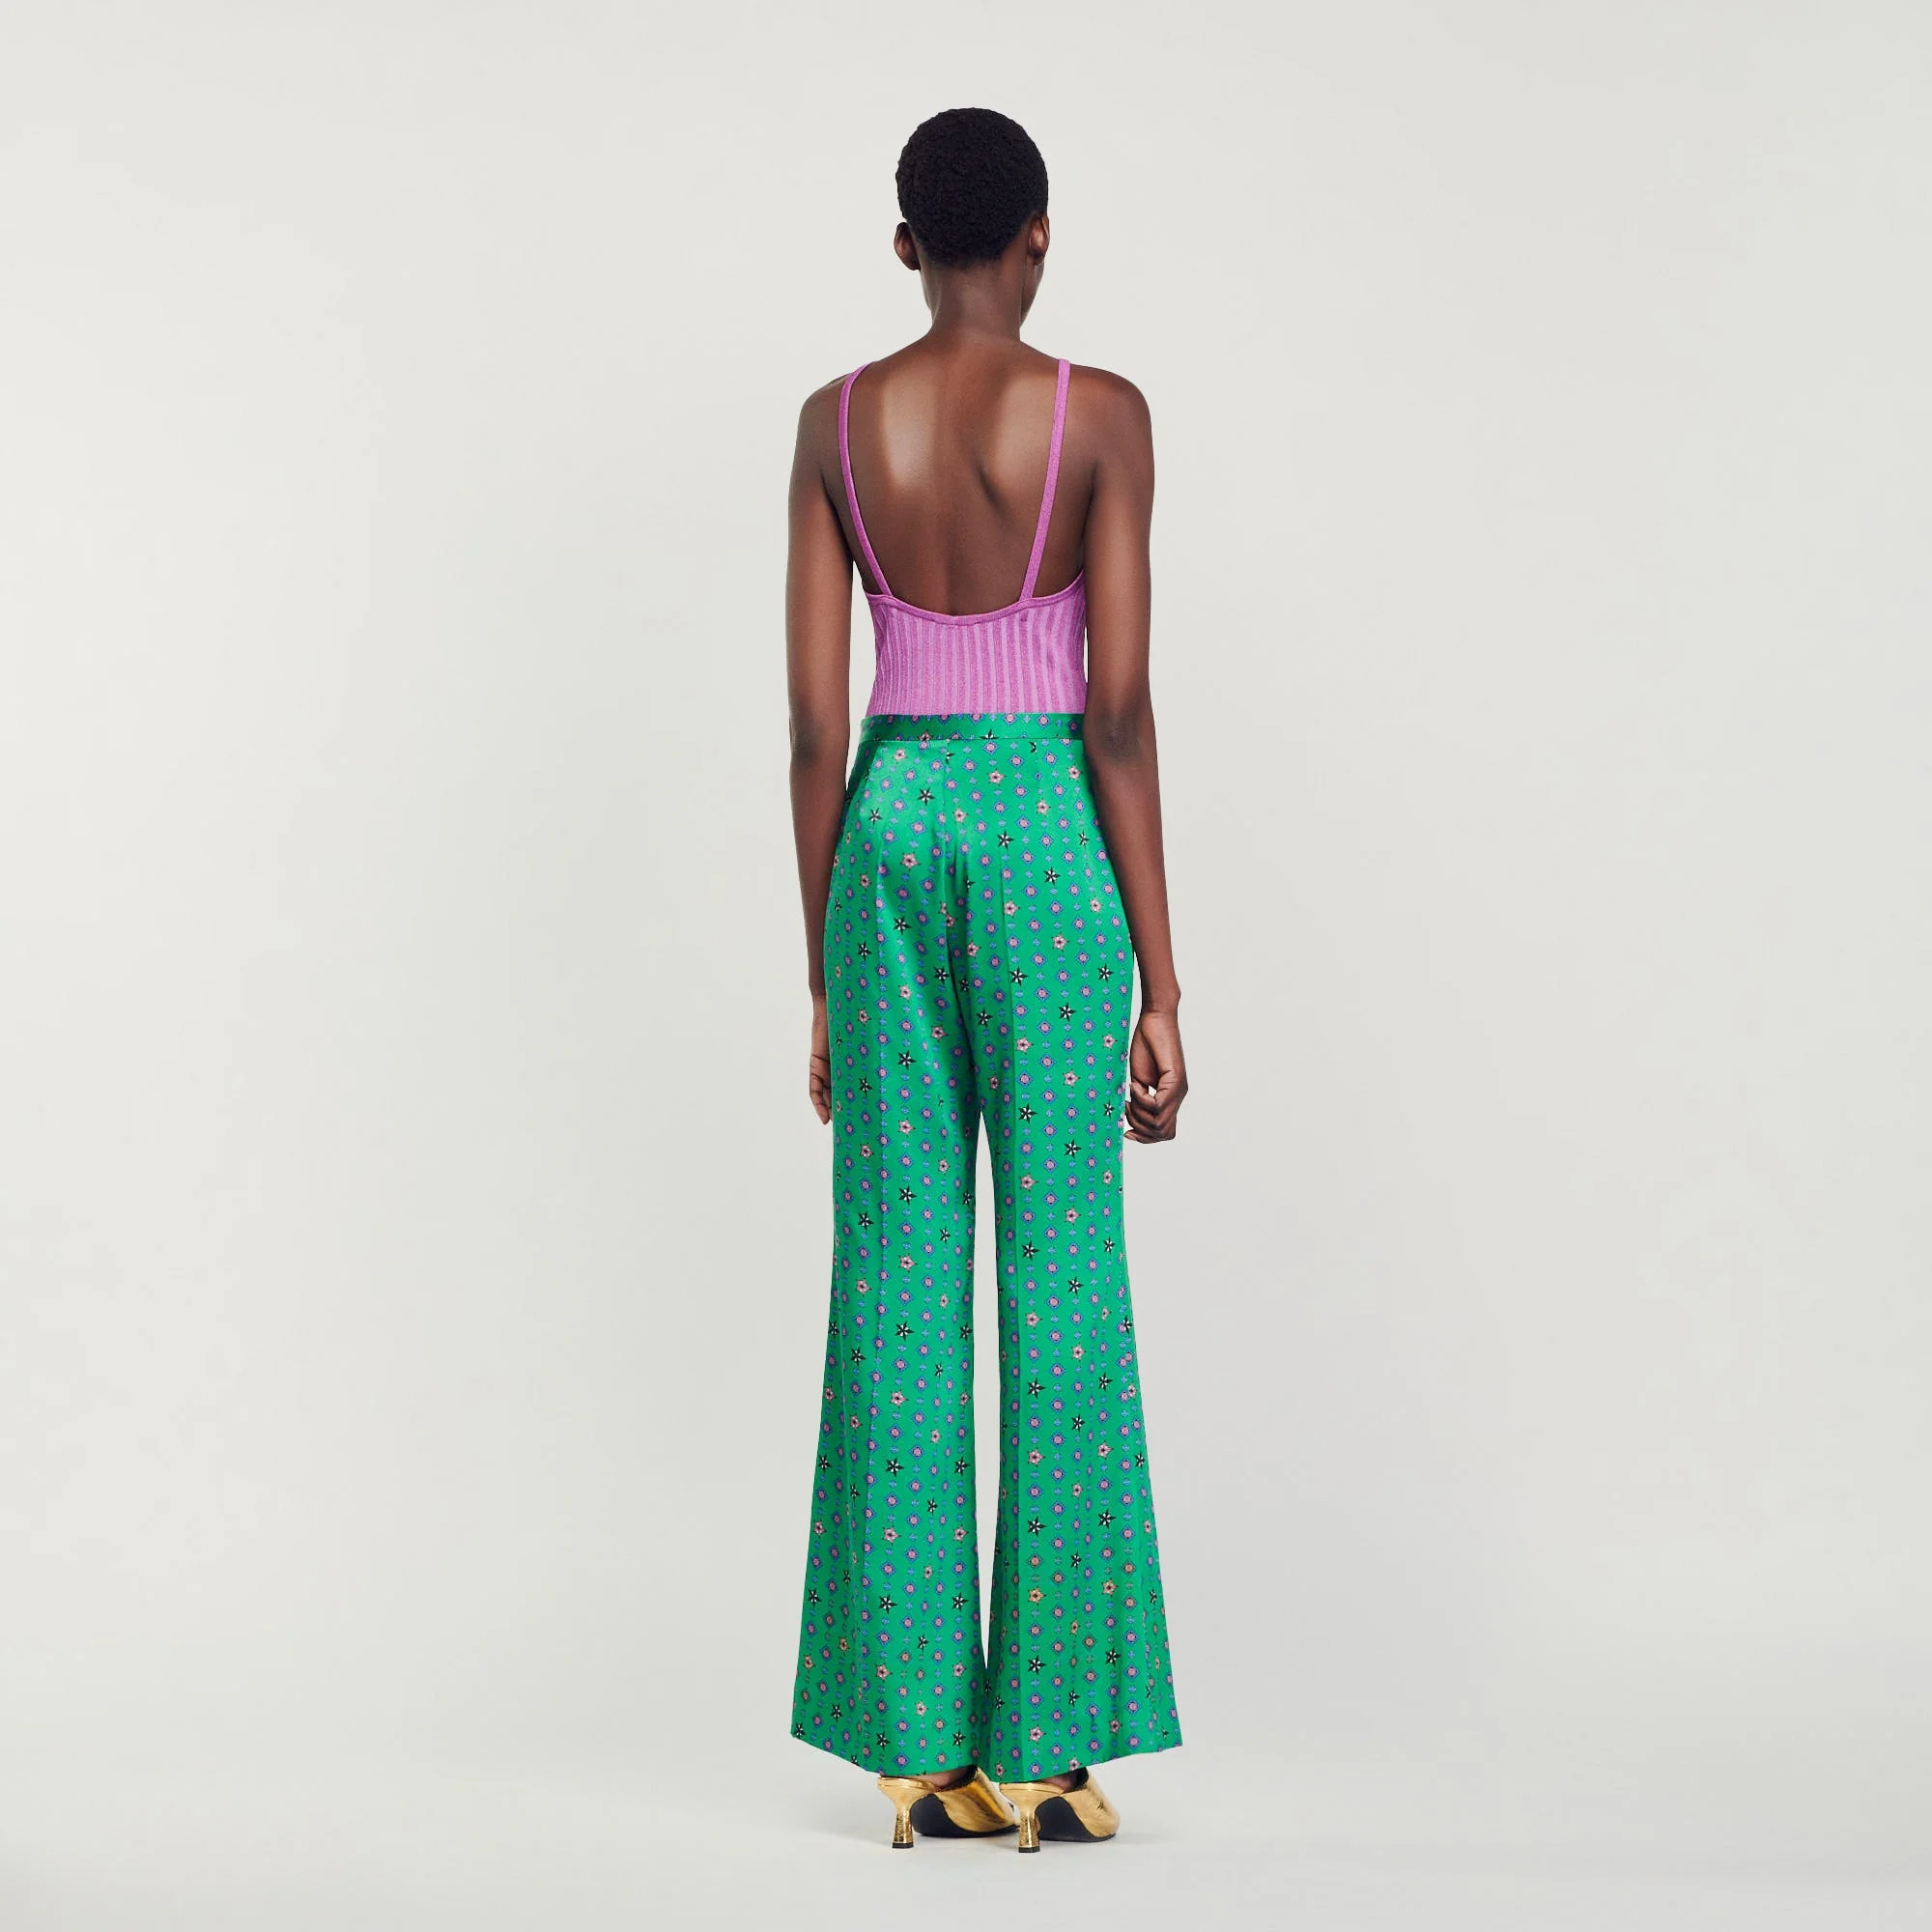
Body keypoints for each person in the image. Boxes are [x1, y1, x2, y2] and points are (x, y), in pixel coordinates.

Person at [784, 106, 1186, 1854]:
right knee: (1062, 1267)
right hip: (1041, 832)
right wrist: (1162, 978)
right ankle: (1047, 1751)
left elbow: (814, 725)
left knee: (897, 1270)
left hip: (889, 824)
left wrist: (824, 970)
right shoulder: (1101, 416)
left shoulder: (834, 426)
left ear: (904, 244)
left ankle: (914, 1753)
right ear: (1037, 235)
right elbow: (1119, 710)